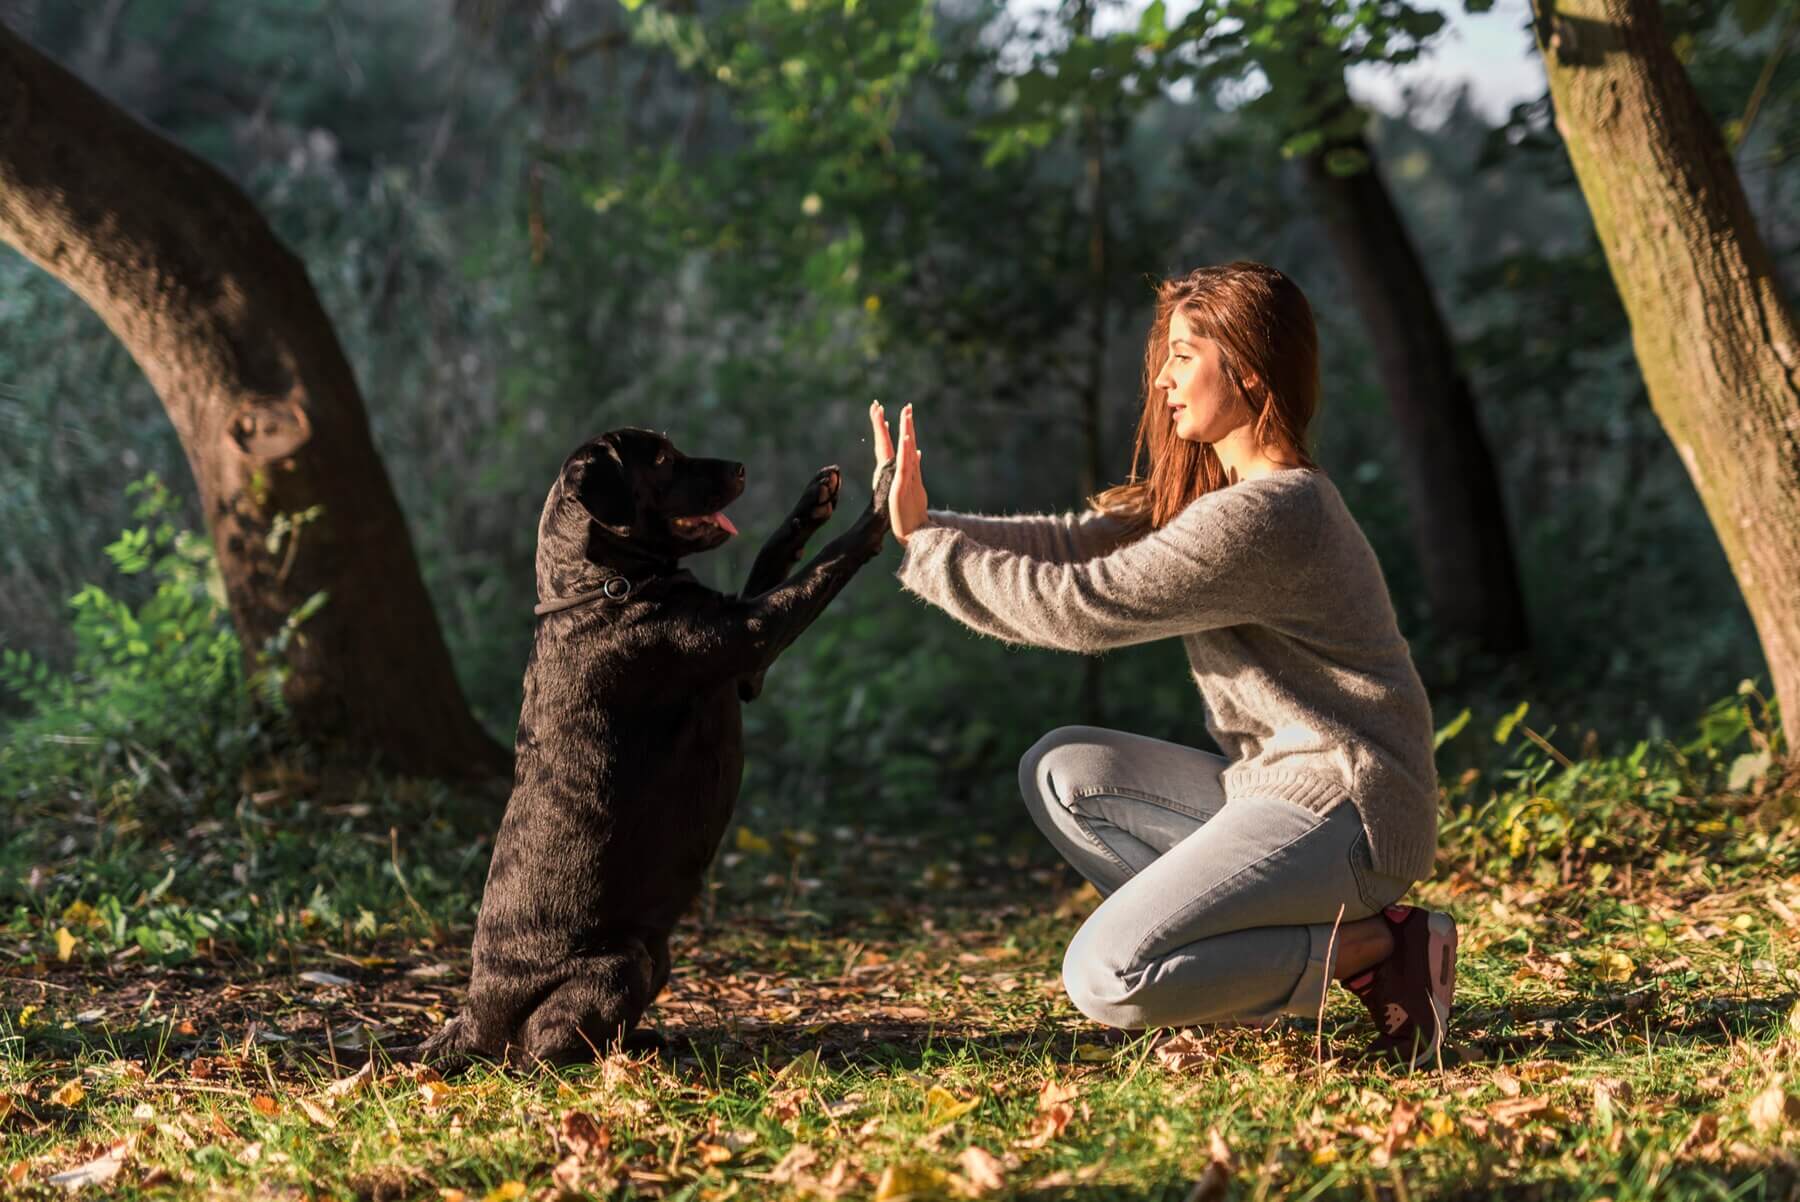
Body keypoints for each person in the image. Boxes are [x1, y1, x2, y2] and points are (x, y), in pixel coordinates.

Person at [866, 261, 1455, 1067]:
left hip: (1351, 813)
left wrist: (929, 550)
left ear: (1248, 367)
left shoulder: (1271, 515)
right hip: (1281, 792)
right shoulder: (1231, 497)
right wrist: (926, 525)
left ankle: (1371, 952)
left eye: (1183, 355)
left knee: (1106, 975)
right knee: (1064, 771)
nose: (1163, 381)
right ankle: (1229, 970)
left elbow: (1080, 605)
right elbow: (1078, 543)